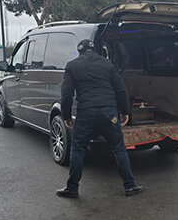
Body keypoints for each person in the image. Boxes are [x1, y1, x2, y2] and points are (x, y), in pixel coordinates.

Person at [56, 39, 143, 198]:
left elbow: (67, 94)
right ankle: (129, 185)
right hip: (109, 111)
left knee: (78, 148)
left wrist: (66, 116)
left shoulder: (72, 66)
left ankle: (72, 188)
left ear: (80, 51)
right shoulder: (107, 64)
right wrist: (125, 112)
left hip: (86, 112)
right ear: (95, 50)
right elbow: (121, 89)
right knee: (118, 148)